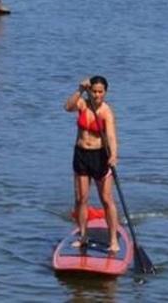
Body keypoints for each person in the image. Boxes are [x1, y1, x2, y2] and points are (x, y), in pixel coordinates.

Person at [64, 75, 121, 253]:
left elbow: (111, 136)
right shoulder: (82, 104)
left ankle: (113, 240)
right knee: (81, 199)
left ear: (105, 92)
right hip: (81, 154)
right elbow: (67, 107)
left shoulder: (106, 112)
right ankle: (83, 237)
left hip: (100, 156)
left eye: (100, 92)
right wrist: (80, 90)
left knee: (106, 199)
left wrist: (113, 155)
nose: (97, 95)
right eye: (94, 91)